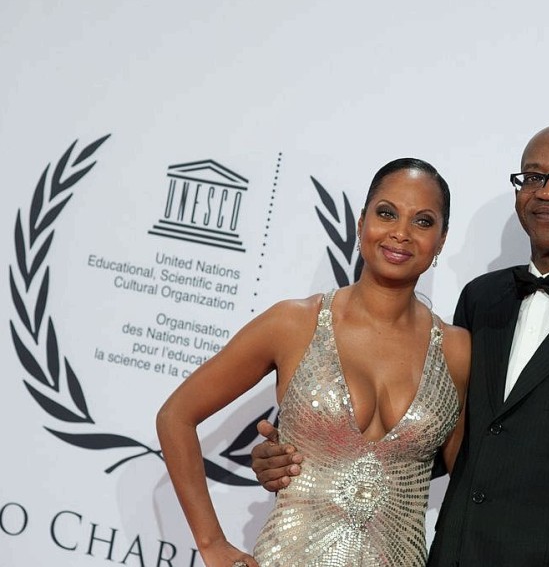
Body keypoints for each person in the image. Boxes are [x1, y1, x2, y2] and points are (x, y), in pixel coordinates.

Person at [251, 125, 549, 566]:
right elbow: (452, 450)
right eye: (533, 177)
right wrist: (308, 459)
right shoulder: (482, 300)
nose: (548, 191)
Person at [156, 158, 470, 567]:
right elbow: (175, 415)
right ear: (361, 223)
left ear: (442, 239)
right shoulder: (293, 324)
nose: (400, 233)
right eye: (386, 213)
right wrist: (213, 543)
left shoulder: (457, 351)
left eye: (423, 221)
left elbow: (471, 485)